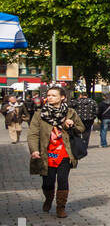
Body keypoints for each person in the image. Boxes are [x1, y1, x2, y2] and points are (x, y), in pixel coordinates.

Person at [29, 86, 84, 219]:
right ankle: (48, 199)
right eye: (48, 95)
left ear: (62, 97)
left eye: (54, 95)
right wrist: (34, 150)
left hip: (65, 153)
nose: (50, 97)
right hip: (46, 154)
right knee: (48, 182)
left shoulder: (70, 112)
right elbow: (32, 134)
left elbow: (81, 128)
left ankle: (60, 207)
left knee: (62, 180)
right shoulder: (39, 114)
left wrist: (72, 125)